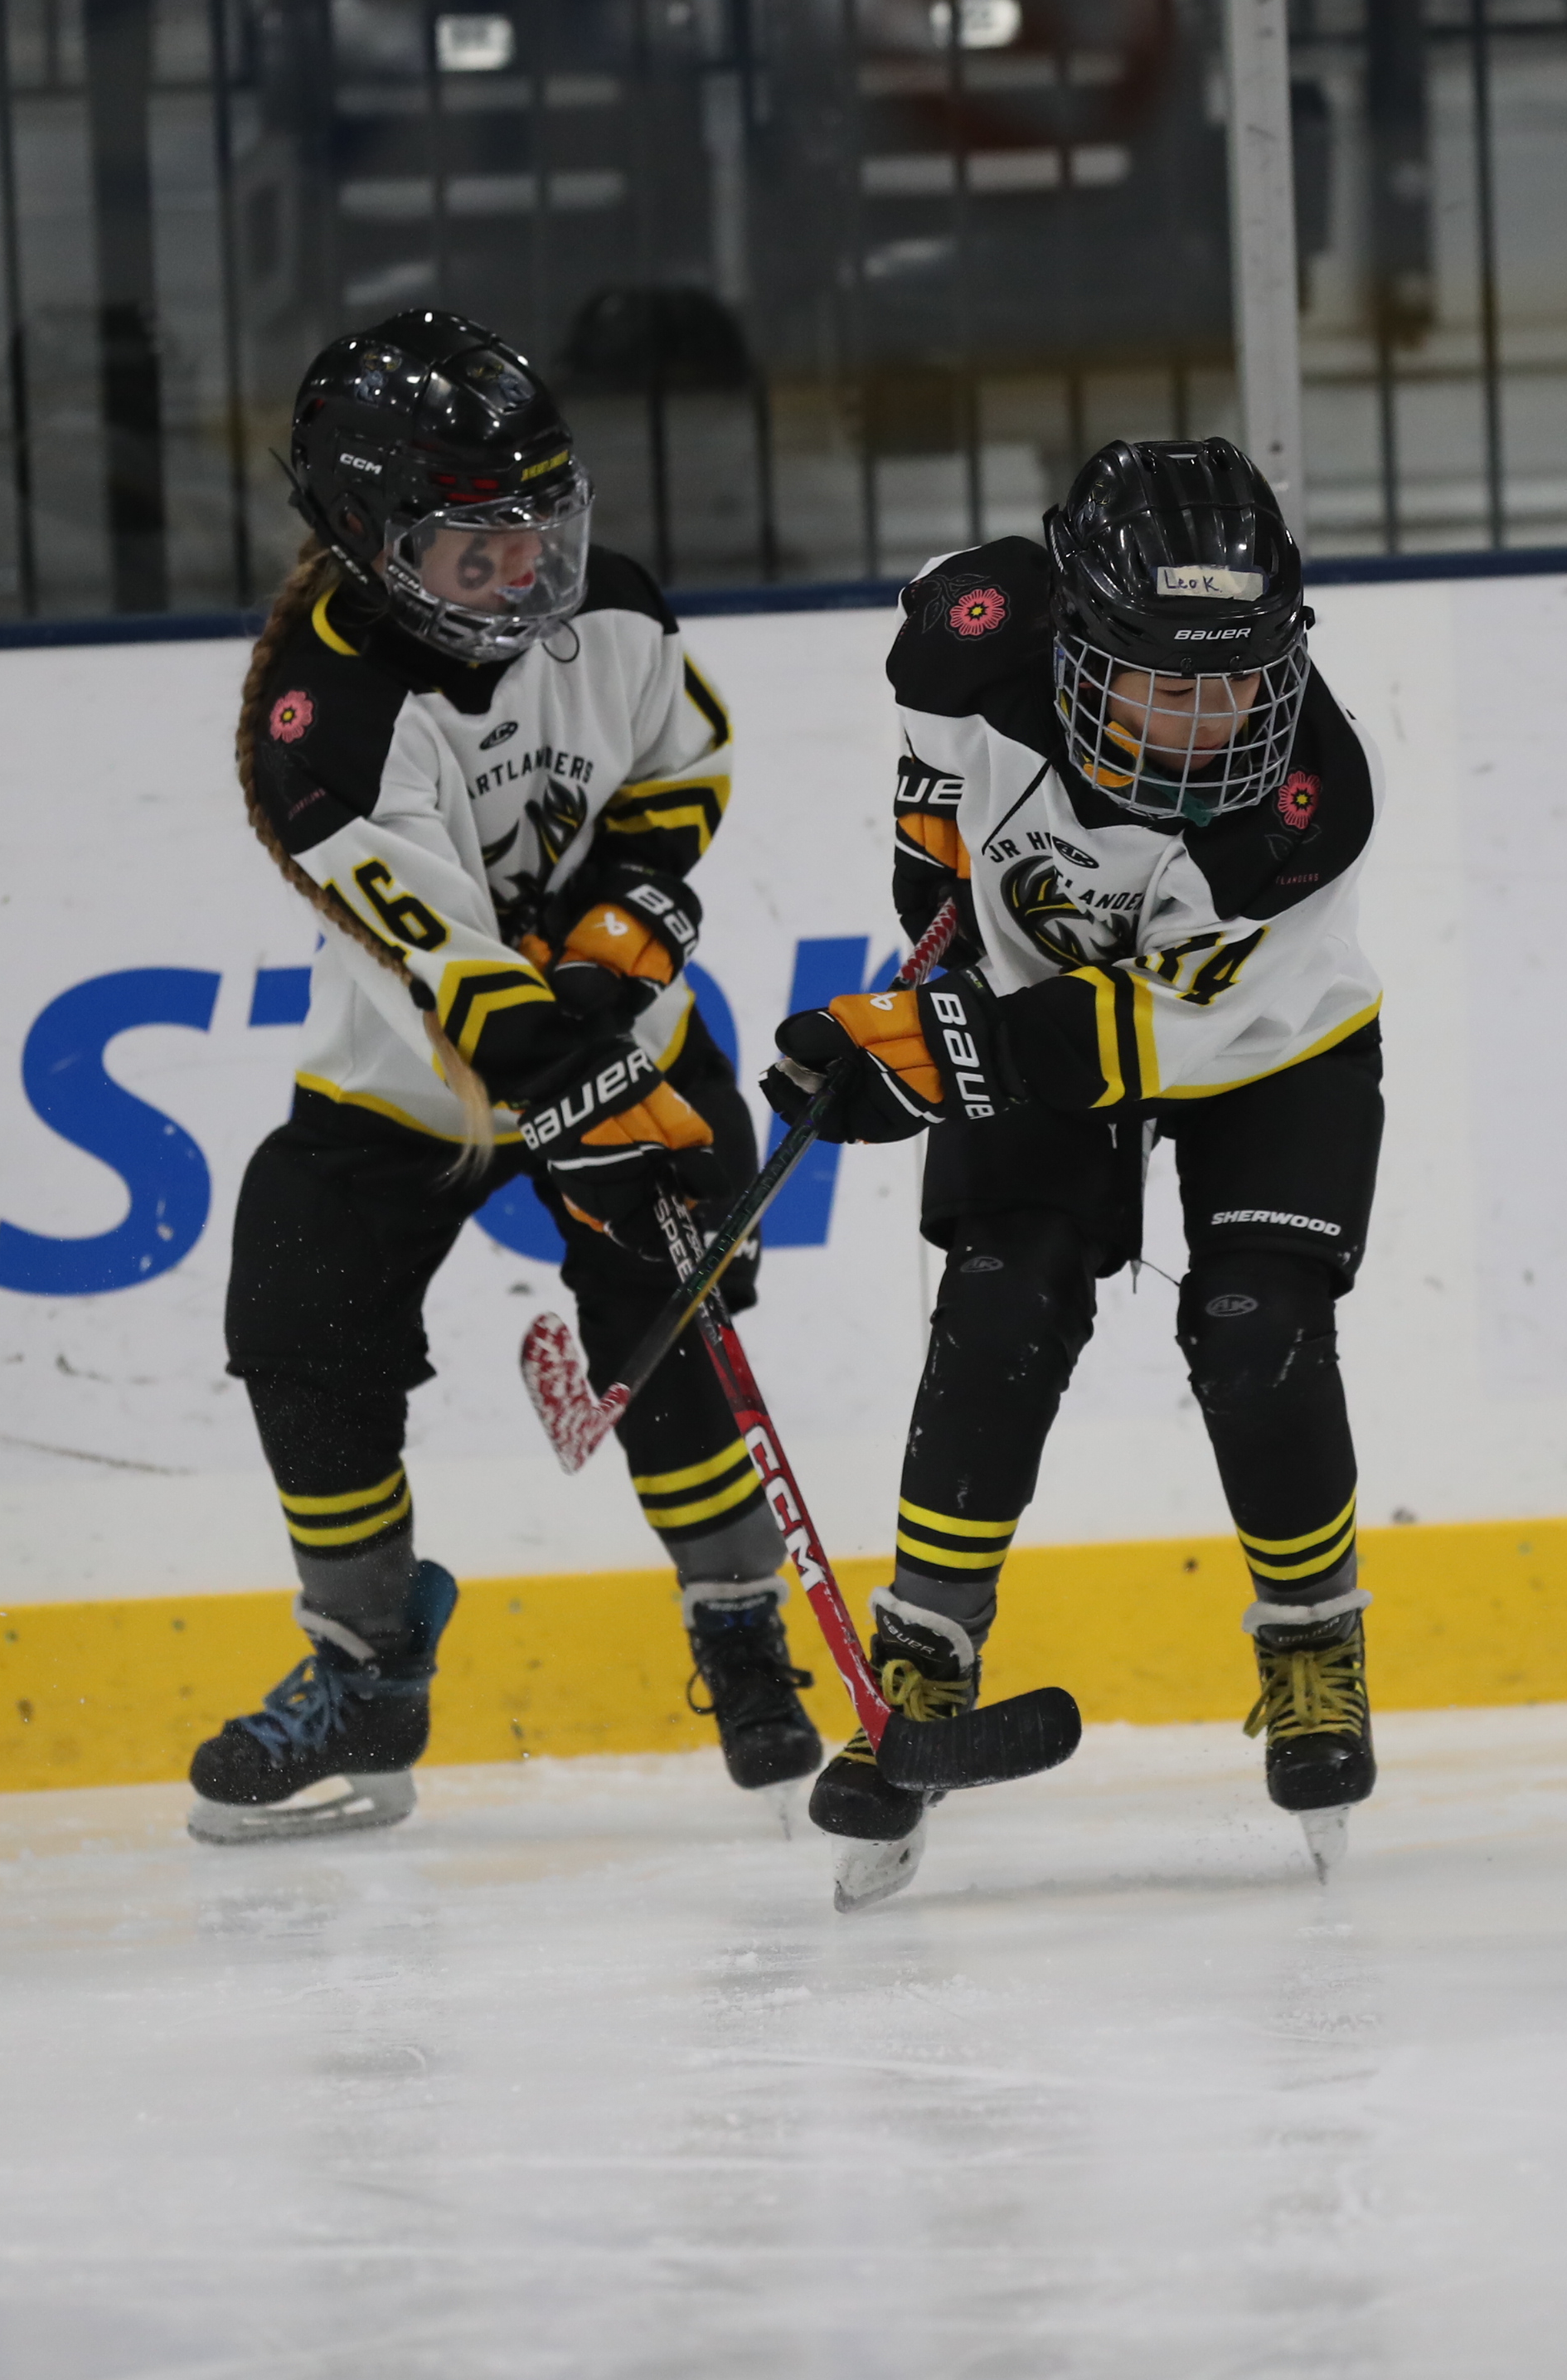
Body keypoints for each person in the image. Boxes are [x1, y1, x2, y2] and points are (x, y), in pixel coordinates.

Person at [186, 308, 819, 1843]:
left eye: (543, 528)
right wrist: (584, 1092)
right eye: (479, 550)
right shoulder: (322, 723)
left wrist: (622, 936)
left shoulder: (618, 614)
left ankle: (742, 1632)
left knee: (666, 1328)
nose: (527, 573)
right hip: (414, 1084)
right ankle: (366, 1670)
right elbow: (458, 977)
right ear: (367, 539)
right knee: (298, 1315)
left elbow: (682, 767)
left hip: (625, 1039)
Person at [760, 437, 1387, 1908]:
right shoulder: (968, 635)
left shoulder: (1316, 796)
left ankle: (1314, 1641)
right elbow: (935, 802)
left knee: (1257, 1328)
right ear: (1079, 642)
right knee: (1001, 1304)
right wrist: (929, 930)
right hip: (1031, 992)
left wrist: (930, 1053)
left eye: (1239, 681)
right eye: (1169, 682)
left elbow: (1159, 1027)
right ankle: (924, 1651)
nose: (1212, 720)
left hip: (1266, 1041)